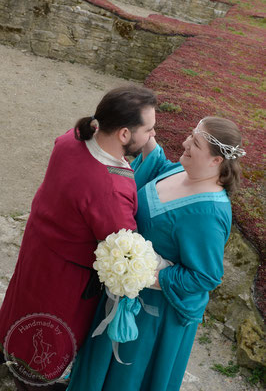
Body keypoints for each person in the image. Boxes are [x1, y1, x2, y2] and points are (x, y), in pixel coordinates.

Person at [66, 116, 246, 391]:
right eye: (190, 135)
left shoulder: (209, 213)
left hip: (152, 318)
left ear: (216, 161)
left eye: (195, 143)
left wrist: (141, 273)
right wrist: (140, 127)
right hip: (125, 292)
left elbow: (206, 277)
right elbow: (160, 166)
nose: (185, 142)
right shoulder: (183, 170)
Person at [0, 85, 157, 391]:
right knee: (48, 343)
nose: (152, 137)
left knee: (22, 312)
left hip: (37, 251)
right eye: (148, 130)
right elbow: (123, 244)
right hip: (67, 279)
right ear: (124, 134)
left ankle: (11, 354)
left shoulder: (70, 140)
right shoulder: (111, 188)